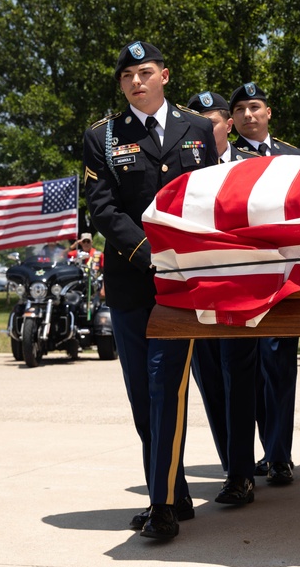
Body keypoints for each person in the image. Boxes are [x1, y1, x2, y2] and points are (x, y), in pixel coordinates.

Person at [82, 41, 218, 541]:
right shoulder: (103, 136)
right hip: (131, 282)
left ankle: (160, 507)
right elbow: (103, 208)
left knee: (166, 388)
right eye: (126, 77)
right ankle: (175, 491)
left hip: (181, 283)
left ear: (164, 74)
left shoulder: (198, 129)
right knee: (143, 396)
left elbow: (210, 199)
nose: (136, 82)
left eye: (144, 73)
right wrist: (148, 254)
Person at [184, 89, 259, 506]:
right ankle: (233, 465)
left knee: (239, 378)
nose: (203, 128)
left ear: (227, 125)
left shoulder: (252, 166)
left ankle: (240, 474)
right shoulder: (181, 165)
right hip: (195, 291)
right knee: (210, 380)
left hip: (240, 289)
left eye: (211, 120)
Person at [228, 82, 300, 486]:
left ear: (268, 112)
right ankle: (258, 451)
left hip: (283, 277)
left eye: (255, 107)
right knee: (248, 372)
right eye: (239, 109)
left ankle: (279, 454)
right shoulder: (226, 157)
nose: (248, 115)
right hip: (241, 276)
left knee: (279, 368)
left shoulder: (292, 156)